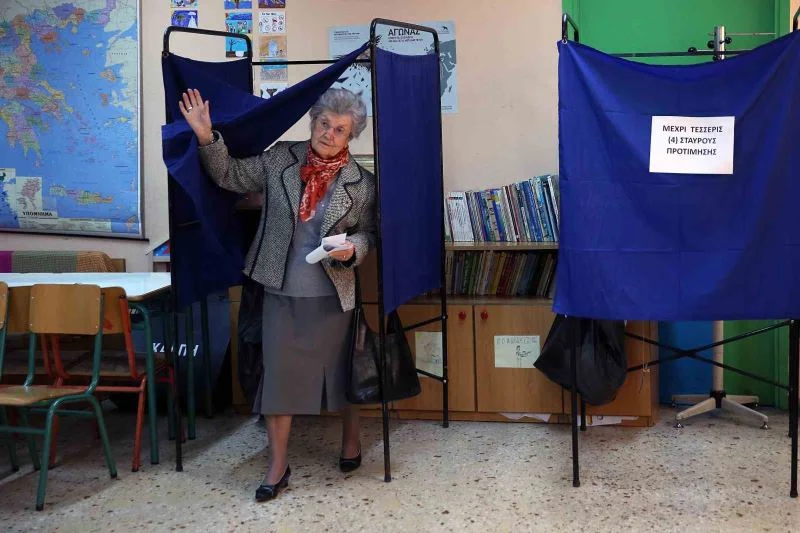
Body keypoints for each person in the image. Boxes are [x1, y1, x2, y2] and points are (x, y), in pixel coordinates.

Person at [178, 86, 376, 502]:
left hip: (333, 294)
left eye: (340, 129)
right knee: (278, 382)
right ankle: (277, 464)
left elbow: (368, 234)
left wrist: (353, 249)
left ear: (351, 136)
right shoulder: (281, 159)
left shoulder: (361, 182)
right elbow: (230, 175)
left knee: (343, 375)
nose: (329, 133)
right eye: (324, 123)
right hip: (280, 289)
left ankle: (351, 440)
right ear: (313, 121)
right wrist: (205, 136)